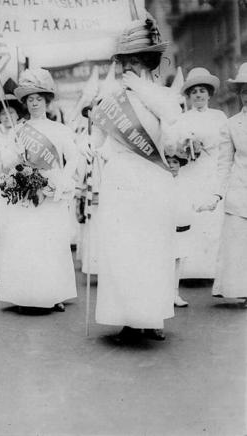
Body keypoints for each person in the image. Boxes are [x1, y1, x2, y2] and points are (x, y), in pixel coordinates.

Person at [92, 17, 184, 342]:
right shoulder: (111, 100)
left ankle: (153, 316)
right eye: (126, 62)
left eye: (137, 61)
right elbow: (99, 145)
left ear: (149, 63)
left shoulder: (161, 96)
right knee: (124, 250)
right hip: (120, 179)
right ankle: (129, 319)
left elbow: (173, 127)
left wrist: (142, 88)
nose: (129, 68)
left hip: (152, 178)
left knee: (152, 250)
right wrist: (95, 146)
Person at [0, 68, 79, 312]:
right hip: (25, 192)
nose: (34, 103)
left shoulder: (59, 130)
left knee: (51, 243)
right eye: (30, 99)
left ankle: (55, 295)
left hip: (50, 191)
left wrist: (61, 180)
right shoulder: (18, 130)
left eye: (38, 99)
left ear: (47, 101)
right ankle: (25, 296)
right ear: (24, 103)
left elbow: (72, 158)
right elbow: (10, 159)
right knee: (26, 242)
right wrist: (7, 161)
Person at [173, 67, 229, 279]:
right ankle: (190, 270)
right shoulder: (182, 119)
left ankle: (212, 269)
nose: (198, 95)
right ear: (189, 95)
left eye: (202, 91)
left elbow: (225, 146)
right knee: (192, 216)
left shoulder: (219, 116)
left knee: (213, 219)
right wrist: (185, 146)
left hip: (212, 169)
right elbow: (175, 146)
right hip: (191, 170)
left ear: (209, 94)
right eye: (194, 91)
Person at [211, 63, 247, 306]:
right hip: (240, 191)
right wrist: (217, 194)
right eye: (244, 91)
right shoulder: (232, 125)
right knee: (239, 245)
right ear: (239, 94)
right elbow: (224, 164)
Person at [0, 84, 26, 281]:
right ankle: (8, 274)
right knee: (6, 228)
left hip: (24, 186)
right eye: (2, 114)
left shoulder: (23, 132)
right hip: (5, 187)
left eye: (10, 112)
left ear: (18, 114)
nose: (5, 117)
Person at [166, 155, 193, 307]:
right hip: (164, 229)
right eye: (168, 162)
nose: (171, 165)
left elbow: (190, 202)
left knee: (177, 261)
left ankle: (174, 293)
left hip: (179, 229)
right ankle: (162, 294)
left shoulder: (185, 183)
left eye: (175, 162)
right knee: (164, 261)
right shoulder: (160, 182)